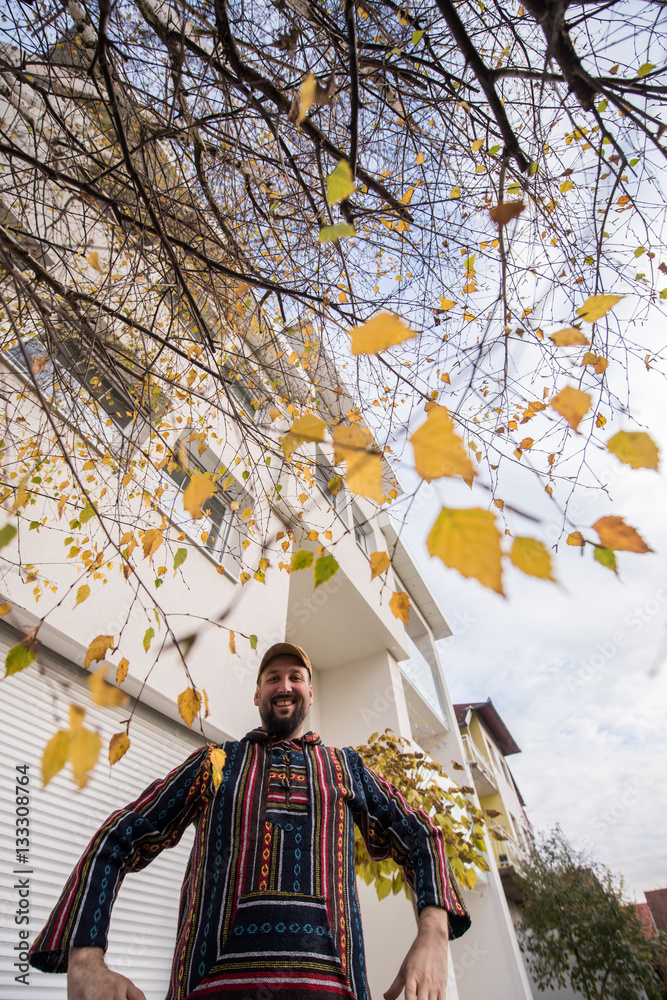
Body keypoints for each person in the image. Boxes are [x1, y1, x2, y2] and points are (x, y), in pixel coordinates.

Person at [29, 642, 470, 1000]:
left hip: (335, 990)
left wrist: (432, 936)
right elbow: (120, 835)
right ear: (256, 694)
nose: (285, 685)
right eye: (272, 678)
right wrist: (85, 960)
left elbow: (422, 836)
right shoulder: (214, 763)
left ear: (310, 693)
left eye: (296, 677)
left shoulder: (346, 767)